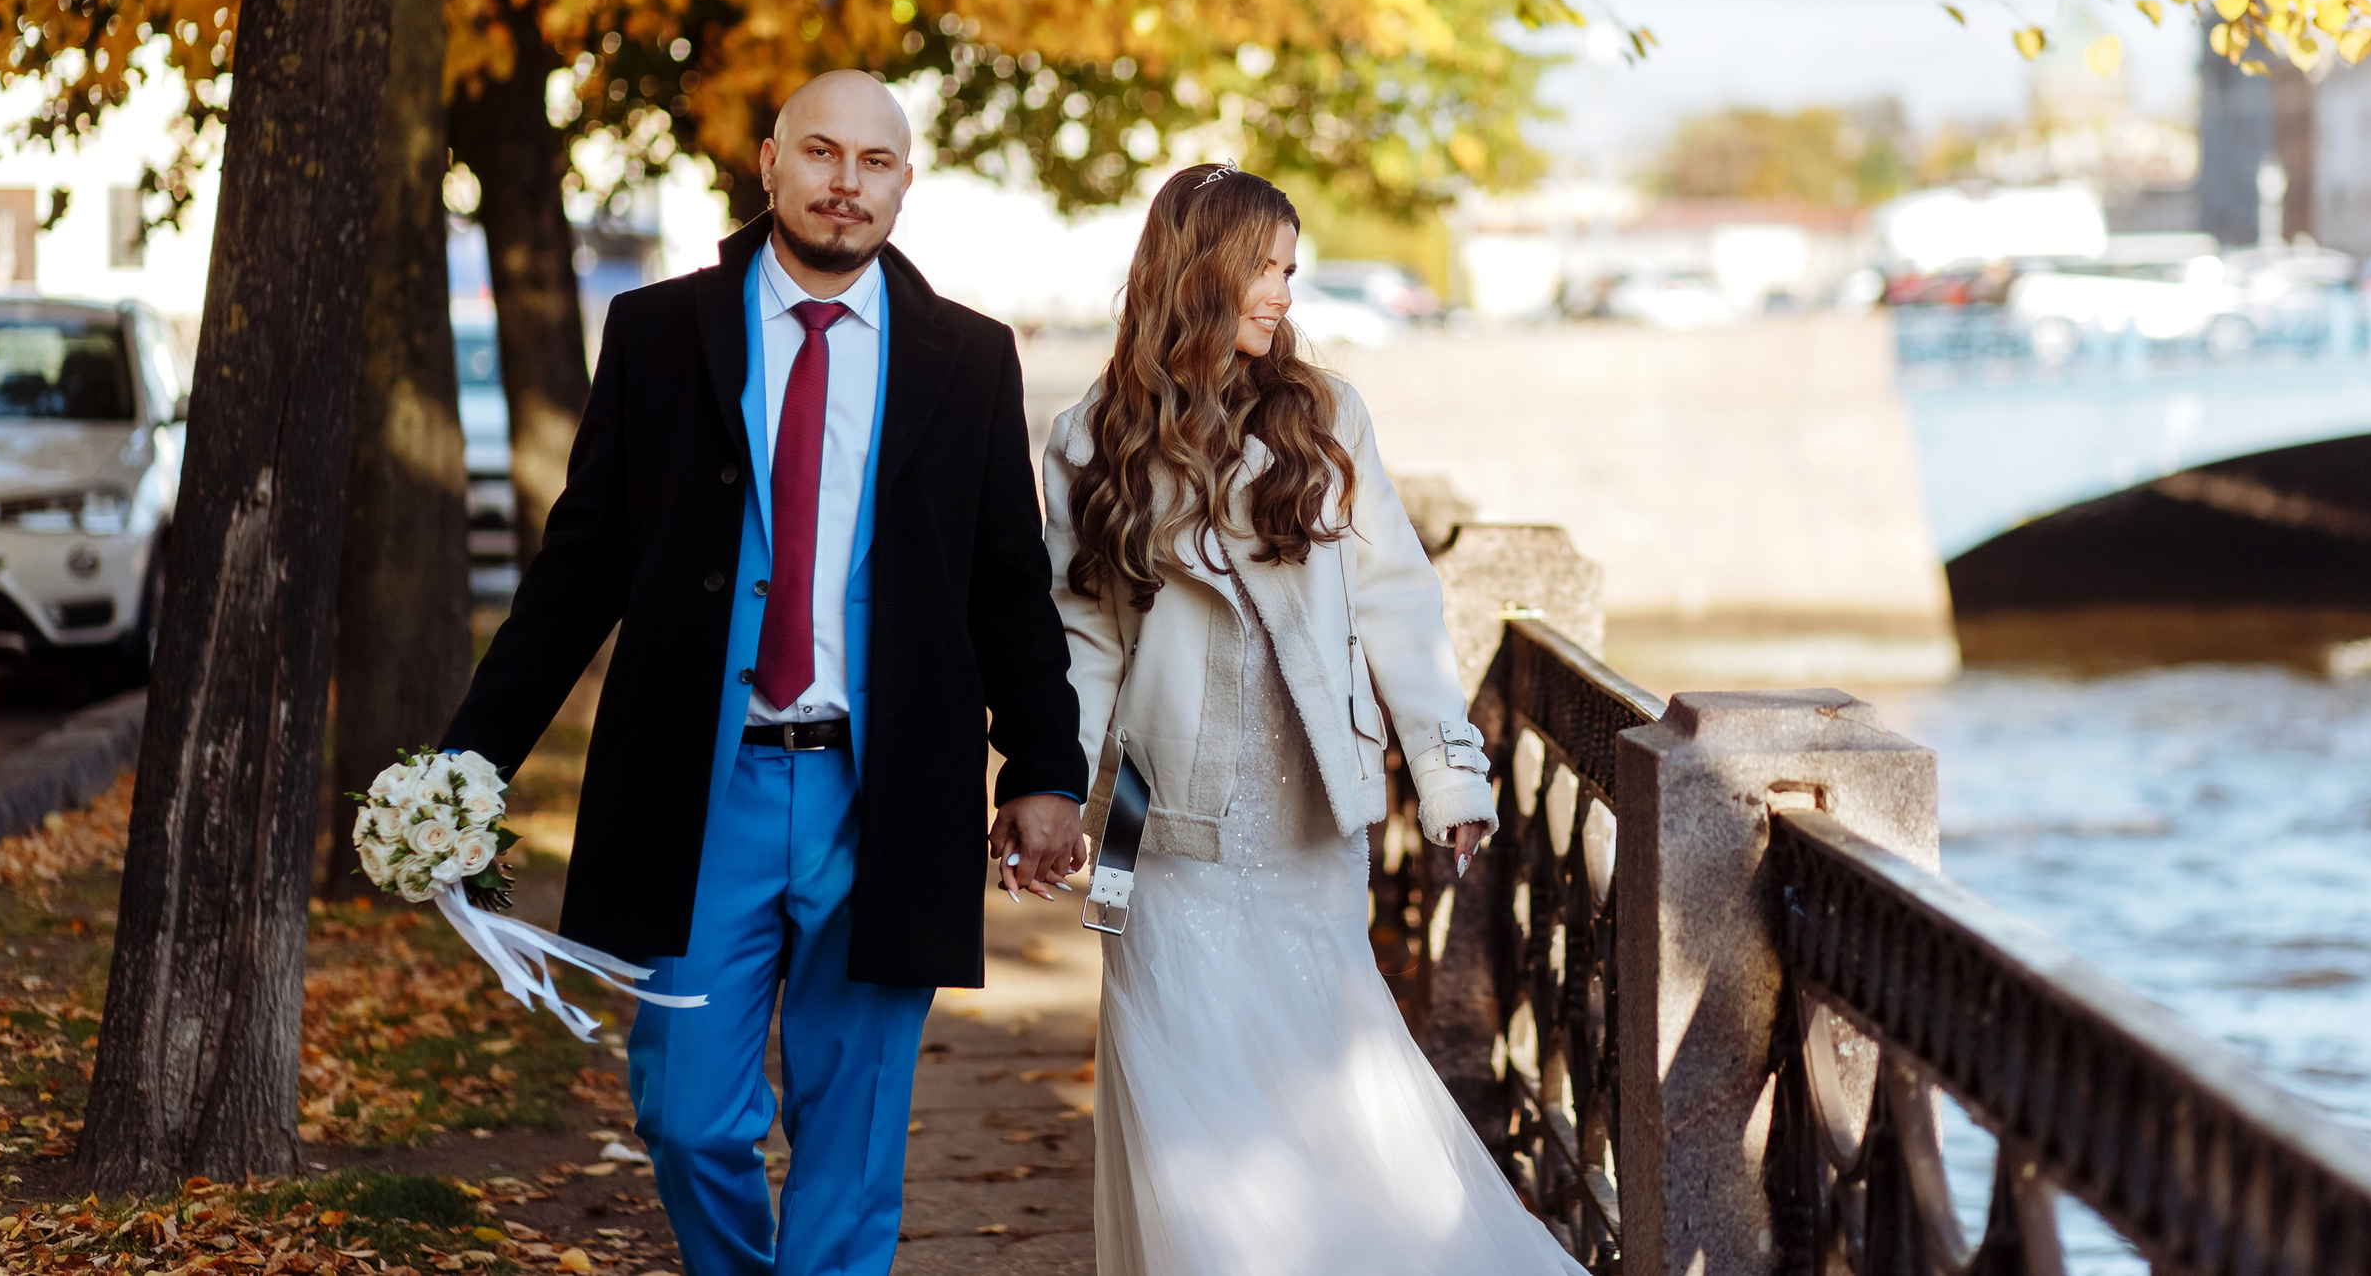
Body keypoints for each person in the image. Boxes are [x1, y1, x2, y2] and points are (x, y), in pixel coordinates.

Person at [439, 70, 1088, 1276]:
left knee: (850, 1140)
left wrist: (1044, 767)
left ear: (904, 182)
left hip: (886, 795)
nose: (847, 183)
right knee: (686, 1121)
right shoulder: (656, 334)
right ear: (770, 162)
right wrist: (470, 763)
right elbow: (579, 571)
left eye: (875, 163)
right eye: (823, 154)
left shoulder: (966, 358)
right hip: (700, 787)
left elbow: (1009, 584)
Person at [1042, 163, 1587, 1274]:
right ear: (1195, 271)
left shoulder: (1326, 415)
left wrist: (1449, 773)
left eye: (1291, 271)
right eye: (1263, 269)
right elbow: (1080, 639)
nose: (1282, 295)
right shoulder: (1086, 434)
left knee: (1334, 1073)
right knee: (1175, 1091)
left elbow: (1398, 600)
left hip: (1315, 801)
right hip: (1146, 812)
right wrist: (1058, 799)